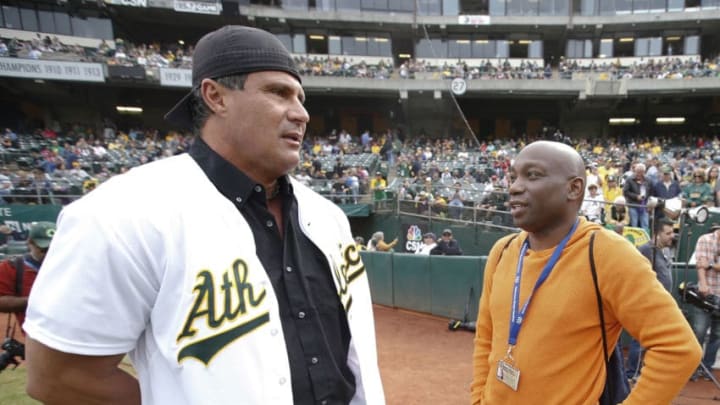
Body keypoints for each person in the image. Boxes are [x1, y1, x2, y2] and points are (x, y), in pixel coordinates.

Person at [23, 26, 385, 405]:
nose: (301, 114)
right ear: (216, 96)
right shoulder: (124, 211)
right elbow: (57, 377)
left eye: (300, 97)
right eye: (278, 93)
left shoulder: (328, 216)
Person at [471, 141, 701, 404]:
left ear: (574, 188)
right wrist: (479, 398)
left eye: (532, 175)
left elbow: (679, 348)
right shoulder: (502, 251)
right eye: (513, 177)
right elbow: (485, 338)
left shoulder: (608, 253)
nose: (514, 187)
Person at [624, 218, 675, 381]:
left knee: (652, 342)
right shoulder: (646, 249)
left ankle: (642, 372)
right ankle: (632, 373)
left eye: (672, 232)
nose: (671, 236)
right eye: (668, 233)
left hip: (661, 305)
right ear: (656, 234)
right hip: (647, 304)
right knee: (639, 340)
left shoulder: (665, 251)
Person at [0, 222, 56, 330]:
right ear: (30, 243)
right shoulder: (12, 267)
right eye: (44, 249)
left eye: (54, 248)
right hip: (35, 333)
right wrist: (35, 301)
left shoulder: (72, 266)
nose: (49, 253)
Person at [690, 223, 720, 381]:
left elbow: (706, 264)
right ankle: (694, 368)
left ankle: (706, 368)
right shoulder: (705, 239)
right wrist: (703, 283)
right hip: (706, 294)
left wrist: (711, 265)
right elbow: (700, 264)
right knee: (699, 332)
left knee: (717, 334)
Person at [623, 163, 650, 231]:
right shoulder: (629, 179)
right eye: (637, 172)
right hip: (633, 205)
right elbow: (625, 192)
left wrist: (648, 201)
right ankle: (633, 241)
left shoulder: (648, 180)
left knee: (645, 224)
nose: (638, 174)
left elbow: (650, 191)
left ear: (644, 172)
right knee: (634, 225)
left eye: (640, 172)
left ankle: (645, 241)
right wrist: (636, 196)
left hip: (644, 205)